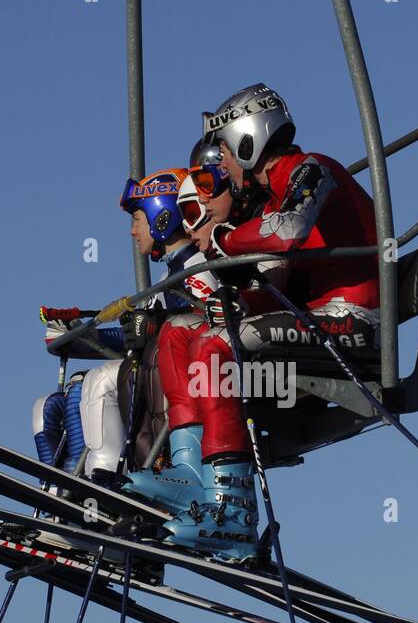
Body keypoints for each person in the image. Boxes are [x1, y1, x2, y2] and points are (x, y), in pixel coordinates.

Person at [134, 83, 382, 562]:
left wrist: (225, 237)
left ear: (249, 139)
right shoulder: (272, 197)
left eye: (224, 152)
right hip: (310, 318)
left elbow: (288, 229)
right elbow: (270, 261)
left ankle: (235, 511)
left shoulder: (311, 170)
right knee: (178, 332)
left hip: (349, 321)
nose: (220, 165)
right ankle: (191, 475)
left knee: (216, 346)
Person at [32, 167, 217, 485]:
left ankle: (105, 479)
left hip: (186, 381)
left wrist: (152, 325)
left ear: (162, 217)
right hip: (158, 371)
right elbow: (135, 335)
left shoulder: (196, 268)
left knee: (100, 381)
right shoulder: (170, 274)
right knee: (49, 404)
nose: (132, 232)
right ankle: (60, 492)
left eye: (137, 220)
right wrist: (82, 337)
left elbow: (203, 325)